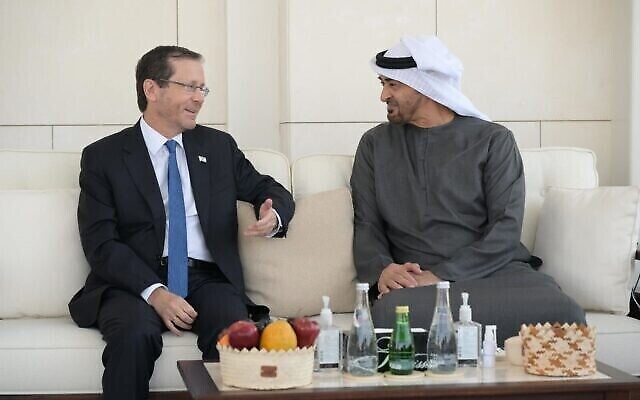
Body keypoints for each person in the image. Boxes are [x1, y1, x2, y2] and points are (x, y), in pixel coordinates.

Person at [68, 46, 295, 400]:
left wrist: (272, 213)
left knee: (235, 334)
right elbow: (101, 244)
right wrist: (155, 292)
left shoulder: (217, 147)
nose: (199, 98)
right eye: (189, 87)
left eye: (202, 89)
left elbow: (269, 188)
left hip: (207, 279)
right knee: (134, 336)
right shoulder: (104, 157)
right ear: (152, 89)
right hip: (133, 282)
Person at [351, 36, 585, 344]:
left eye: (393, 85)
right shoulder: (374, 144)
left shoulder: (494, 141)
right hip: (415, 281)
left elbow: (505, 229)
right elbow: (367, 224)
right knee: (392, 316)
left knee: (563, 311)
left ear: (423, 85)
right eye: (383, 84)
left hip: (494, 272)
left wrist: (440, 276)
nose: (383, 95)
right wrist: (384, 270)